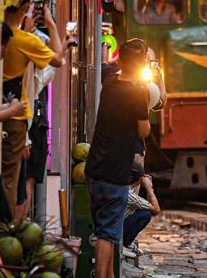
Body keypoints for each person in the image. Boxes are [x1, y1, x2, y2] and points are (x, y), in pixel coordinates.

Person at [85, 39, 152, 278]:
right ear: (142, 63)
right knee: (107, 233)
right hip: (115, 172)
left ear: (120, 61)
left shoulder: (111, 82)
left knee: (106, 228)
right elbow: (144, 131)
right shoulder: (137, 92)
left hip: (94, 168)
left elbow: (112, 68)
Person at [1, 0, 68, 215]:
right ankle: (6, 232)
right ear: (24, 8)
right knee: (11, 178)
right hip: (17, 117)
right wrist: (50, 24)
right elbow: (58, 59)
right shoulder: (25, 41)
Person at [121, 162, 160, 258]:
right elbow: (155, 209)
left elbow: (148, 205)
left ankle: (125, 243)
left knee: (143, 210)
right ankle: (124, 244)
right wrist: (149, 188)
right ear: (140, 179)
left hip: (113, 226)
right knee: (145, 214)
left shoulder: (123, 189)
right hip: (117, 229)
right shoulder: (130, 196)